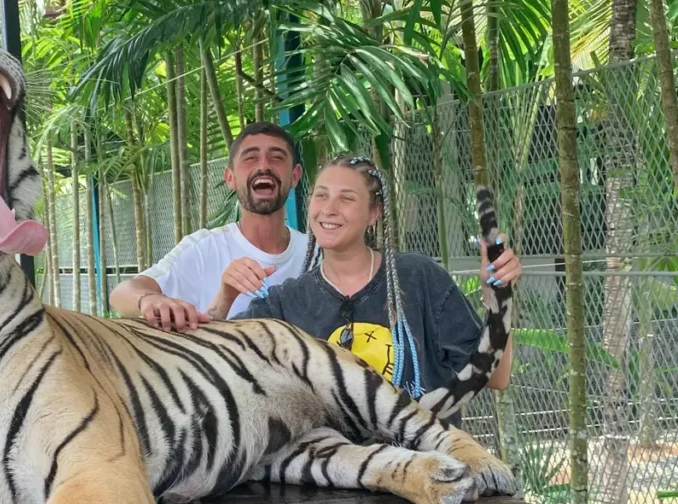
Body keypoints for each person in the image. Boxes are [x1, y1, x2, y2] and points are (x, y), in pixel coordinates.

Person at [218, 155, 522, 420]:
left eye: (346, 198)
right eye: (321, 196)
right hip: (336, 474)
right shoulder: (286, 302)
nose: (329, 209)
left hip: (424, 467)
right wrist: (225, 296)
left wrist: (496, 299)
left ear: (373, 213)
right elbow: (219, 359)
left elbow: (496, 376)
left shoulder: (418, 277)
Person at [109, 121, 310, 331]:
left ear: (295, 176)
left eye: (276, 157)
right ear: (230, 178)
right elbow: (121, 293)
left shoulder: (316, 253)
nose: (263, 166)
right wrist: (150, 300)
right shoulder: (204, 248)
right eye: (250, 158)